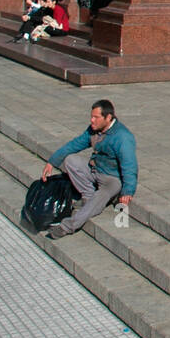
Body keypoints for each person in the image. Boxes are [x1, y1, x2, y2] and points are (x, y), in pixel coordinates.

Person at [40, 100, 137, 239]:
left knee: (98, 200)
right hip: (95, 170)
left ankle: (66, 227)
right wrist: (52, 162)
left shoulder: (123, 137)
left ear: (108, 118)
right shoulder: (94, 130)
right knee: (70, 160)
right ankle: (87, 194)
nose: (92, 120)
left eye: (96, 117)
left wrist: (128, 191)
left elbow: (130, 166)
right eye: (91, 116)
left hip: (112, 179)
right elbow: (74, 145)